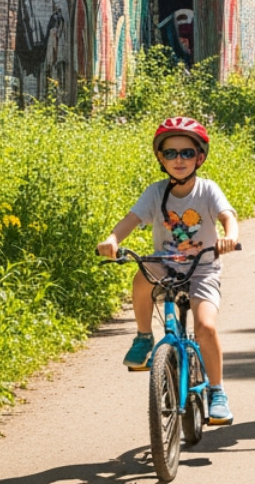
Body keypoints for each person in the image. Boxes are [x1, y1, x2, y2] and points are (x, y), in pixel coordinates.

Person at [97, 117, 240, 426]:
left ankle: (217, 391)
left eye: (187, 153)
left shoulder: (207, 190)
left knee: (206, 328)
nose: (179, 159)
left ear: (200, 157)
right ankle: (144, 338)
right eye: (171, 153)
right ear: (160, 158)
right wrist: (112, 239)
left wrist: (231, 235)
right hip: (166, 264)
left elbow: (228, 216)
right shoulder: (155, 192)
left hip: (203, 268)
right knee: (142, 270)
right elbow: (131, 220)